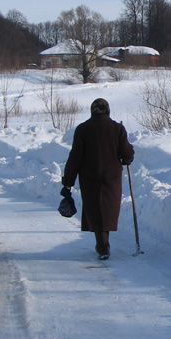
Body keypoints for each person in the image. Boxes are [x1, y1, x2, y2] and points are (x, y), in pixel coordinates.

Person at [62, 98, 134, 260]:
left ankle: (101, 244)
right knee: (107, 209)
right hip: (111, 177)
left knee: (94, 208)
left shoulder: (83, 129)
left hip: (89, 176)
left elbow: (75, 158)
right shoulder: (118, 128)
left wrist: (67, 182)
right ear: (107, 110)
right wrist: (129, 156)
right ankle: (103, 244)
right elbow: (127, 154)